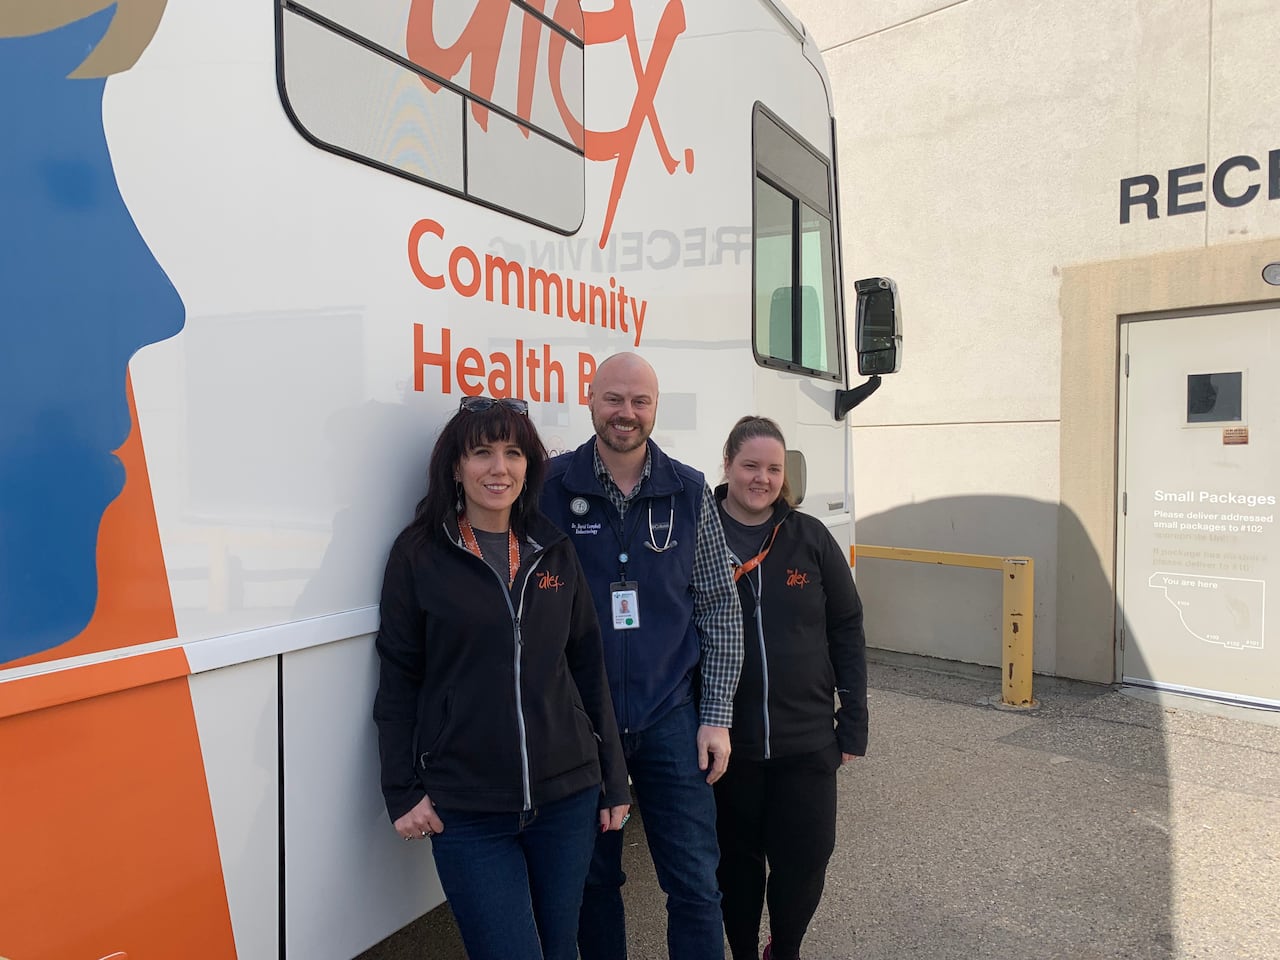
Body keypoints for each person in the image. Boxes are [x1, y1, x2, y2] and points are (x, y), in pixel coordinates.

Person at [373, 395, 630, 960]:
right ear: (455, 467)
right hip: (468, 808)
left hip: (566, 798)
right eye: (482, 453)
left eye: (513, 453)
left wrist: (612, 779)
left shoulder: (553, 550)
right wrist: (401, 790)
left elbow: (588, 668)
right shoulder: (418, 555)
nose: (499, 468)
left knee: (560, 949)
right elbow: (398, 680)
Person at [540, 352, 744, 960]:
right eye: (614, 399)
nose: (626, 413)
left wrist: (715, 715)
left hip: (670, 717)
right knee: (593, 883)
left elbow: (717, 606)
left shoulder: (687, 489)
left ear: (655, 408)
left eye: (640, 401)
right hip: (580, 724)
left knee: (694, 884)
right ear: (591, 399)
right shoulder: (549, 488)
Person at [711, 416, 868, 960]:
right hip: (729, 745)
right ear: (727, 464)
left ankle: (787, 948)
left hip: (806, 742)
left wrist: (854, 720)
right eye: (750, 465)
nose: (762, 478)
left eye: (773, 468)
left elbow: (847, 626)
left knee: (807, 858)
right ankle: (743, 950)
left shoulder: (810, 538)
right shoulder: (698, 535)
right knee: (736, 864)